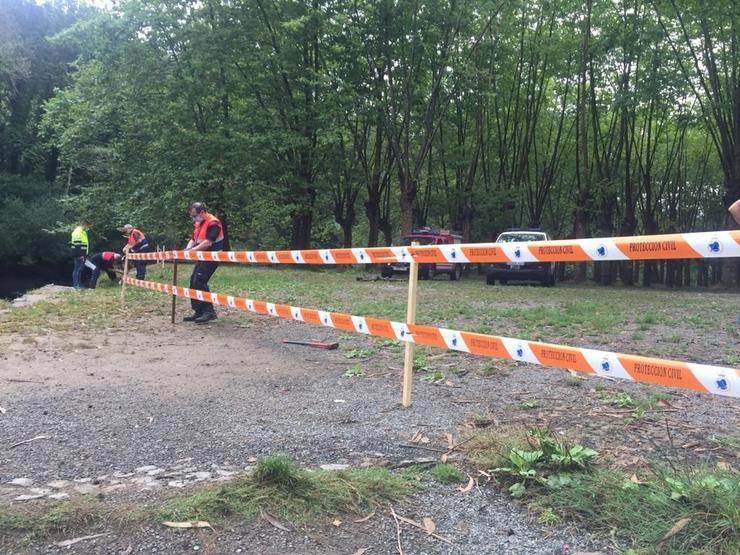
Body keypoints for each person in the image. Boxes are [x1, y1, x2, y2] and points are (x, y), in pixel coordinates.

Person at [182, 202, 225, 324]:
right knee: (193, 281)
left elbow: (208, 242)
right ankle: (198, 311)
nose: (193, 218)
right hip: (202, 256)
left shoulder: (213, 223)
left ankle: (209, 312)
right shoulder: (199, 223)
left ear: (202, 212)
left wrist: (192, 251)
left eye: (194, 215)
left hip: (212, 257)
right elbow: (193, 239)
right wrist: (187, 248)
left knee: (200, 281)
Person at [70, 221, 91, 290]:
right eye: (88, 226)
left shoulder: (83, 232)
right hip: (78, 254)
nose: (88, 228)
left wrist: (85, 254)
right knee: (77, 270)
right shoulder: (77, 232)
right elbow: (77, 245)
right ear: (84, 225)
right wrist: (80, 255)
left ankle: (79, 284)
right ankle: (76, 285)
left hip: (83, 254)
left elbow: (84, 244)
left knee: (80, 270)